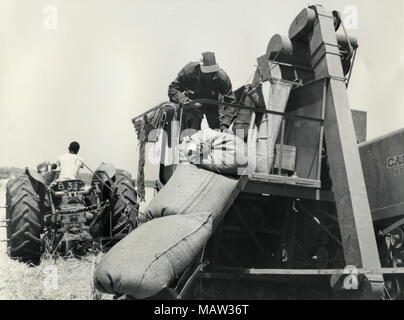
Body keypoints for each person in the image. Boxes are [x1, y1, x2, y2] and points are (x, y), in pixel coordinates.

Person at [168, 51, 237, 131]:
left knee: (217, 131)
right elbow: (172, 89)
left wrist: (225, 124)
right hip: (192, 105)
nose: (209, 75)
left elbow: (231, 102)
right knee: (191, 133)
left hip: (212, 104)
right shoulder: (189, 70)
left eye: (212, 72)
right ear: (200, 67)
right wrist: (186, 101)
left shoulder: (222, 77)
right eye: (207, 72)